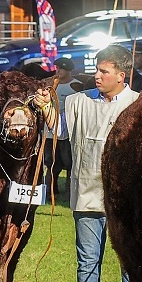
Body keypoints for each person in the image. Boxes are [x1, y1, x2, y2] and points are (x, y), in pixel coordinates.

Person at [64, 44, 142, 282]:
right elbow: (58, 132)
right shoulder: (77, 102)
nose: (97, 76)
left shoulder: (139, 106)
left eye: (104, 71)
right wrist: (45, 108)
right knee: (87, 261)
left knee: (131, 261)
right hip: (87, 195)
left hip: (126, 200)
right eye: (97, 70)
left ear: (122, 76)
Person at [44, 57, 78, 201]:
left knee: (69, 162)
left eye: (61, 69)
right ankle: (49, 189)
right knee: (50, 162)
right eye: (57, 68)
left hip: (68, 131)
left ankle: (70, 191)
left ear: (68, 70)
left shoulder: (77, 86)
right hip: (50, 131)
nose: (58, 71)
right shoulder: (50, 85)